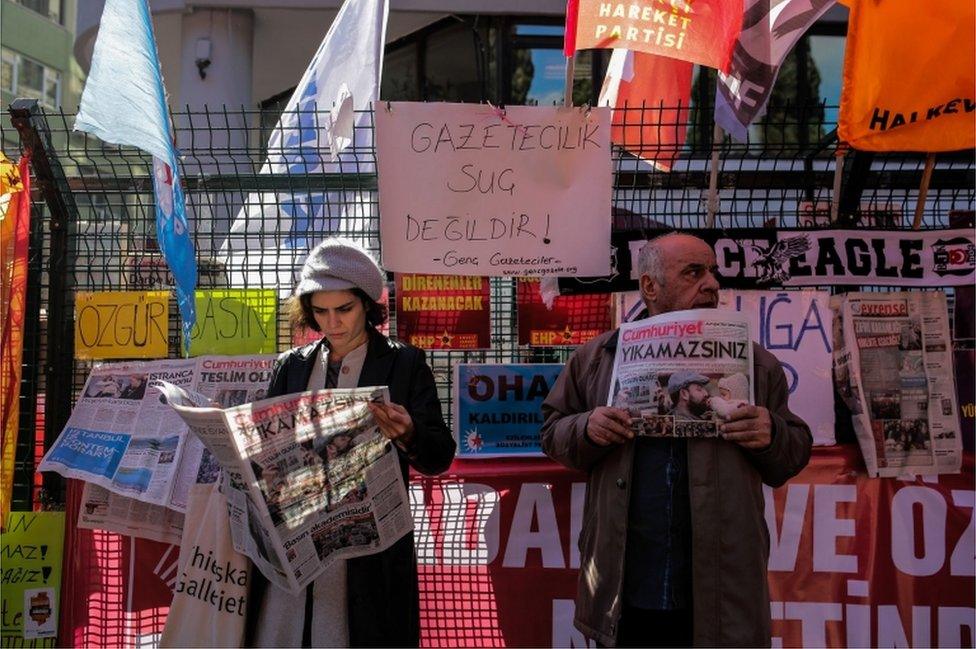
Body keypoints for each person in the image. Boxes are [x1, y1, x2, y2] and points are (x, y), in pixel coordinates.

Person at [541, 232, 811, 648]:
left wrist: (771, 433)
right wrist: (586, 427)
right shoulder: (596, 358)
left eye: (713, 272)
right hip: (625, 590)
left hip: (721, 594)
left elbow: (792, 455)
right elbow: (552, 432)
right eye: (693, 272)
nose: (712, 284)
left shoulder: (758, 364)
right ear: (650, 286)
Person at [245, 238, 456, 648]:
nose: (332, 323)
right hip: (296, 541)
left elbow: (439, 455)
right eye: (320, 312)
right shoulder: (292, 366)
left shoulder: (404, 363)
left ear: (367, 305)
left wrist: (408, 434)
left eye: (344, 310)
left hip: (366, 556)